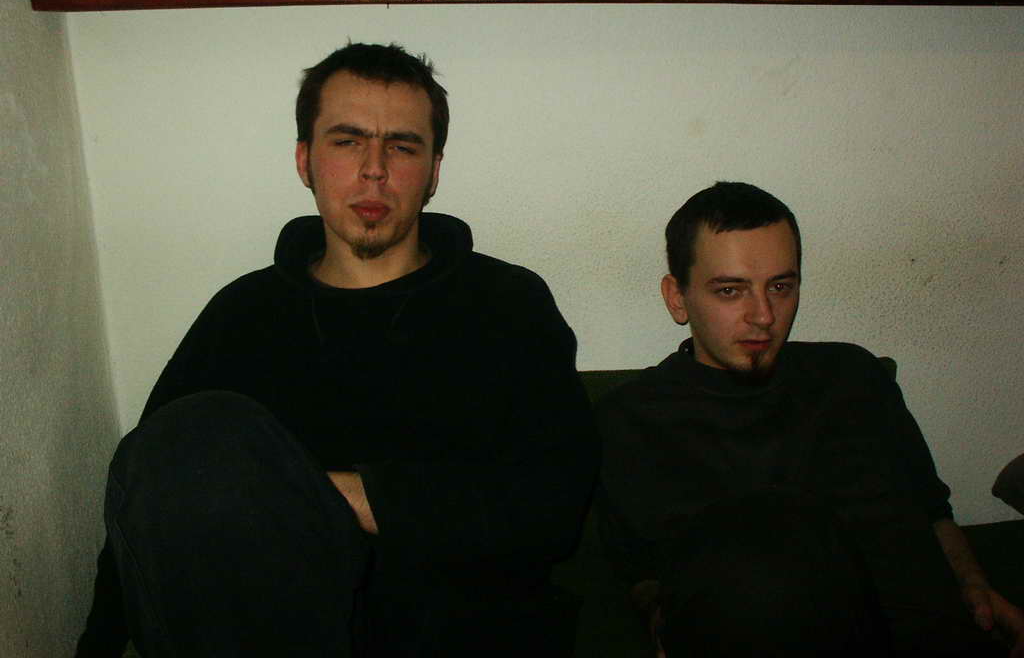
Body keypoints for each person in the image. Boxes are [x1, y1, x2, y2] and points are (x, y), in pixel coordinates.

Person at [76, 42, 598, 658]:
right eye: (348, 142)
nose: (374, 170)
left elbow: (551, 508)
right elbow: (151, 492)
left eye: (402, 146)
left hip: (466, 631)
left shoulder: (507, 304)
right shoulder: (243, 315)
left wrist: (299, 497)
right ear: (305, 160)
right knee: (190, 432)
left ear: (433, 171)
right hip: (269, 633)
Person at [596, 181, 1024, 657]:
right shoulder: (634, 418)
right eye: (730, 290)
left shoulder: (855, 376)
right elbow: (639, 575)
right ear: (677, 297)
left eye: (781, 287)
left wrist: (973, 584)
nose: (763, 315)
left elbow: (932, 510)